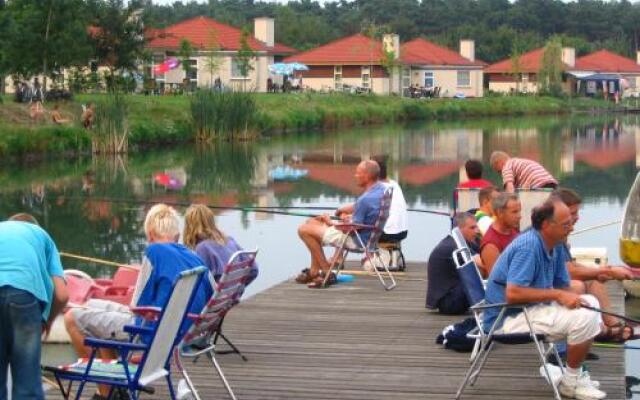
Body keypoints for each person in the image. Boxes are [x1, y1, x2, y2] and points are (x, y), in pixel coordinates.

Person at [64, 204, 213, 399]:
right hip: (171, 333)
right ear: (176, 236)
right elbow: (212, 293)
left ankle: (107, 393)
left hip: (145, 333)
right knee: (91, 305)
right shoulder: (194, 258)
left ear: (150, 234)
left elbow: (136, 307)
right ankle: (112, 390)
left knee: (71, 317)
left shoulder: (154, 253)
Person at [484, 199, 606, 400]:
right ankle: (571, 382)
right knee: (584, 318)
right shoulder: (529, 247)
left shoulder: (555, 244)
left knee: (591, 304)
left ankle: (572, 376)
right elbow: (513, 294)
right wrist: (559, 296)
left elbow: (563, 285)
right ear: (547, 225)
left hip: (531, 310)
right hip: (506, 319)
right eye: (566, 224)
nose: (572, 227)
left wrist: (596, 278)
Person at [0, 213, 68, 400]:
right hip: (24, 296)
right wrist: (47, 321)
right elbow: (62, 295)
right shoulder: (41, 235)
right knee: (27, 385)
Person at [552, 187, 634, 340]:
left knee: (593, 278)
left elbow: (569, 265)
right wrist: (608, 272)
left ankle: (612, 325)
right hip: (541, 291)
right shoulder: (554, 235)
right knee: (578, 285)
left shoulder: (560, 234)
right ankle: (590, 331)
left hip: (551, 283)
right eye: (573, 213)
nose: (577, 218)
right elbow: (569, 271)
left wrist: (602, 271)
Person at [296, 160, 385, 288]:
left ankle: (327, 271)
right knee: (312, 222)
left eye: (357, 173)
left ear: (366, 176)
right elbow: (365, 217)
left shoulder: (365, 199)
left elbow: (353, 228)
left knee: (304, 230)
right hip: (368, 236)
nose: (355, 176)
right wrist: (348, 218)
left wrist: (330, 222)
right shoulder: (381, 190)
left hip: (356, 239)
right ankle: (314, 271)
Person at [183, 203, 258, 285]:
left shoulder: (202, 248)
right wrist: (238, 288)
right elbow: (253, 269)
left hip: (215, 297)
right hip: (230, 296)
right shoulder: (229, 240)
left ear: (190, 227)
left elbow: (200, 283)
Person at [426, 212, 481, 314]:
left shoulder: (461, 241)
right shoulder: (453, 247)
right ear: (459, 229)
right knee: (487, 279)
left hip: (453, 295)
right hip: (449, 302)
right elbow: (483, 263)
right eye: (472, 228)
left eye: (477, 227)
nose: (477, 231)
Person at [479, 193, 521, 276]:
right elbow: (498, 280)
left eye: (519, 211)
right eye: (514, 212)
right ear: (500, 213)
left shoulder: (512, 230)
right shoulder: (491, 245)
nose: (519, 216)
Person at [373, 156, 408, 243]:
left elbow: (361, 210)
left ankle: (338, 256)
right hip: (403, 232)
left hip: (387, 233)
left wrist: (341, 211)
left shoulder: (378, 188)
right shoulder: (394, 184)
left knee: (348, 229)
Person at [489, 151, 558, 193]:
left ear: (499, 162)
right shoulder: (519, 162)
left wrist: (509, 200)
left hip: (537, 185)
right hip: (551, 183)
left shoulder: (506, 166)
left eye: (499, 171)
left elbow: (510, 187)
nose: (500, 174)